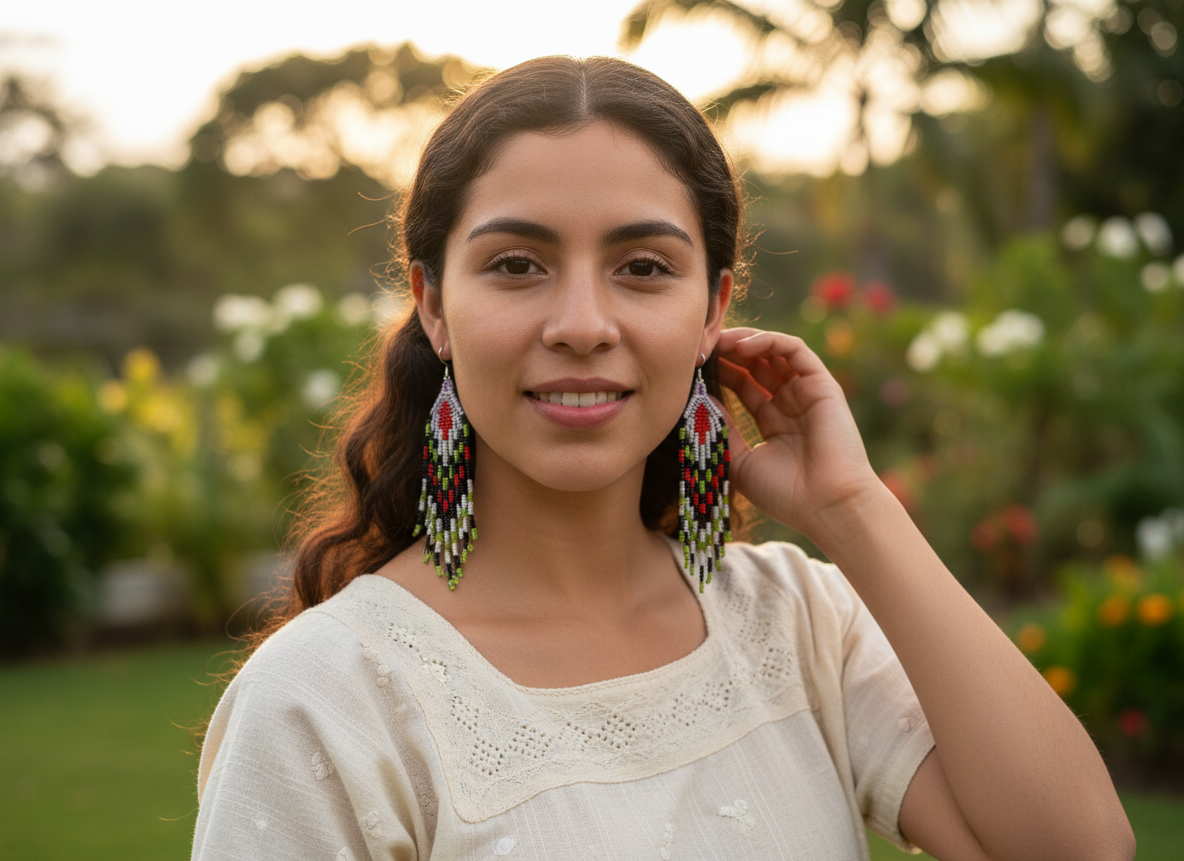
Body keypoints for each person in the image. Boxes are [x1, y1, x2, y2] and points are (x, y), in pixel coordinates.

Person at [191, 56, 1134, 861]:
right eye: (517, 265)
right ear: (433, 305)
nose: (582, 326)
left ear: (714, 309)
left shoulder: (798, 624)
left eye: (642, 268)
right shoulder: (328, 699)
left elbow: (1079, 846)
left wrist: (854, 509)